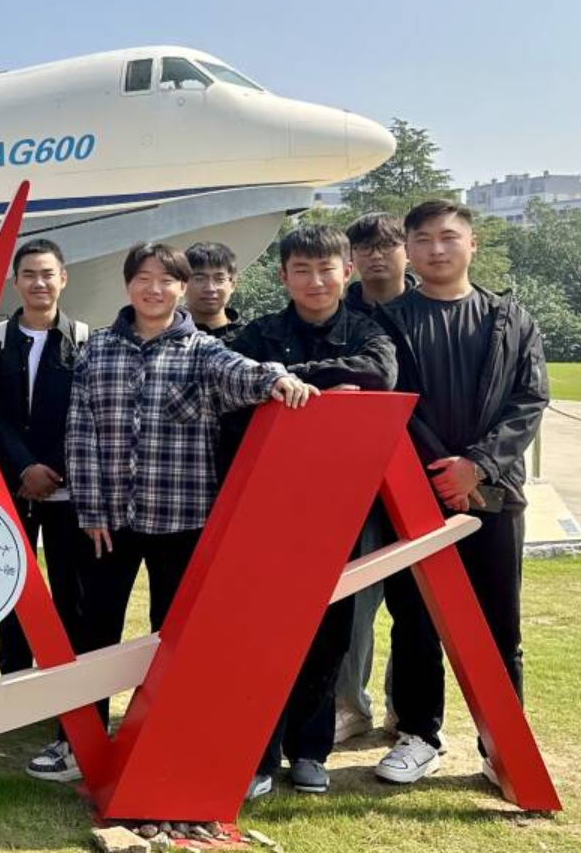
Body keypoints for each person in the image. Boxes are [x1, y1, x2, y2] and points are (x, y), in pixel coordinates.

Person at [67, 244, 315, 733]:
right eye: (143, 278)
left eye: (166, 280)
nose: (154, 289)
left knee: (173, 633)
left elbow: (241, 373)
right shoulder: (96, 349)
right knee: (94, 629)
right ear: (128, 285)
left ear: (181, 288)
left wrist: (277, 379)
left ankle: (162, 730)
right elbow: (80, 433)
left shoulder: (201, 350)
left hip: (181, 519)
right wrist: (91, 510)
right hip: (109, 522)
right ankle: (79, 736)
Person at [371, 201, 547, 788]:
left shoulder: (509, 317)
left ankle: (502, 746)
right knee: (415, 620)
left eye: (449, 237)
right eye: (423, 239)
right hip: (413, 494)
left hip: (494, 495)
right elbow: (393, 402)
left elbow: (529, 399)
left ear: (472, 244)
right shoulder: (387, 321)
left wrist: (479, 466)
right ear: (408, 250)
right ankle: (419, 734)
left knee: (500, 626)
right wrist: (442, 473)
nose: (436, 249)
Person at [222, 225, 397, 798]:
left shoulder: (368, 331)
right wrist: (309, 384)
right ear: (283, 276)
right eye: (302, 270)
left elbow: (377, 374)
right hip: (267, 502)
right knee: (262, 633)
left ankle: (310, 751)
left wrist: (289, 382)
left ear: (347, 271)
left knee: (328, 633)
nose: (316, 281)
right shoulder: (260, 334)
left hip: (340, 504)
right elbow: (234, 386)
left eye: (327, 269)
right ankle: (258, 753)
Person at [0, 238, 97, 782]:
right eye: (29, 274)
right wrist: (25, 466)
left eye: (48, 274)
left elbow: (88, 413)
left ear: (63, 278)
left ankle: (65, 694)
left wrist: (52, 468)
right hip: (13, 485)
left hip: (67, 489)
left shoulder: (85, 340)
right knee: (13, 590)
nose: (39, 283)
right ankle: (15, 687)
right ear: (16, 282)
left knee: (72, 594)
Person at [336, 210, 417, 741]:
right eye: (364, 247)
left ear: (405, 250)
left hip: (418, 473)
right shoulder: (336, 315)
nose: (375, 255)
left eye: (386, 245)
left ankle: (406, 709)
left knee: (416, 604)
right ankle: (349, 704)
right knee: (352, 601)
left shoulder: (429, 309)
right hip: (355, 478)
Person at [184, 241, 242, 340]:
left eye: (219, 279)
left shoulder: (250, 339)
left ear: (232, 285)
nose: (210, 288)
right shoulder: (165, 337)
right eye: (199, 279)